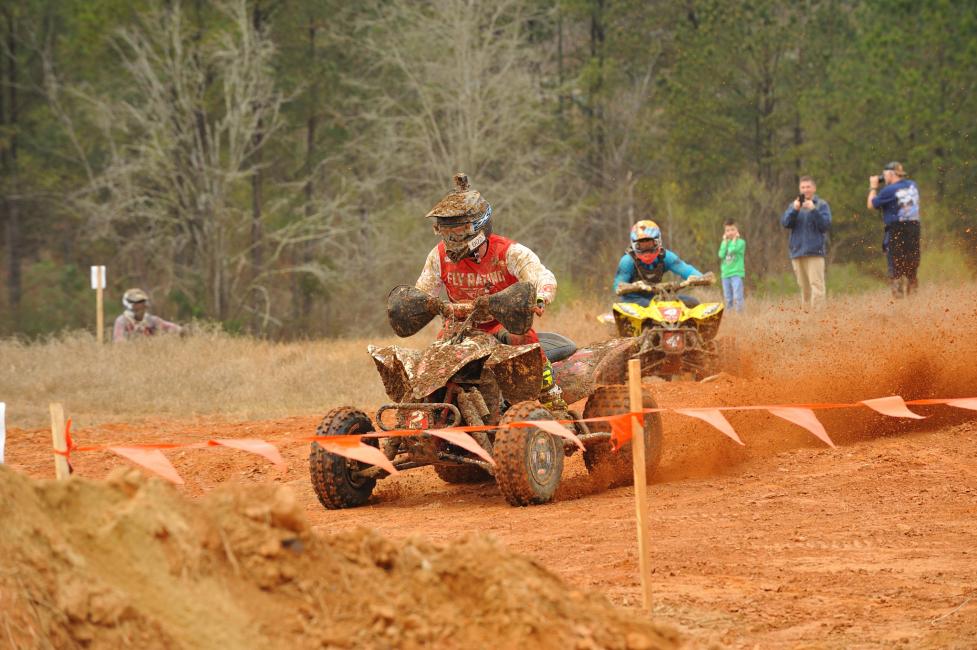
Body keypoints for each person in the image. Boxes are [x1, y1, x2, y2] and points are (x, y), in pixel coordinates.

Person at [415, 172, 566, 413]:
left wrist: (540, 296)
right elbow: (423, 290)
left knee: (523, 338)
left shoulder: (509, 252)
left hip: (502, 323)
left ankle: (550, 395)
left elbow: (542, 275)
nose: (453, 238)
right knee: (431, 363)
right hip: (459, 326)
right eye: (446, 232)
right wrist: (418, 304)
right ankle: (426, 410)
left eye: (460, 231)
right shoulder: (438, 256)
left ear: (479, 226)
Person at [613, 219, 705, 307]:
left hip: (657, 297)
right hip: (632, 300)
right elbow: (618, 285)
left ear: (658, 242)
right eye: (641, 245)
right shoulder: (627, 261)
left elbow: (685, 269)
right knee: (648, 306)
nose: (646, 250)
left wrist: (701, 278)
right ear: (634, 245)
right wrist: (628, 287)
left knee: (692, 302)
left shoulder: (666, 257)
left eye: (649, 244)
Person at [867, 161, 920, 298]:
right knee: (911, 263)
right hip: (914, 228)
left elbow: (871, 204)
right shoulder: (912, 185)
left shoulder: (889, 190)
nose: (884, 178)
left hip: (897, 230)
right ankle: (913, 295)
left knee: (895, 266)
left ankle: (898, 298)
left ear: (891, 174)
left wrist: (873, 187)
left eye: (885, 175)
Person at [781, 175, 831, 310]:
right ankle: (807, 317)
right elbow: (786, 223)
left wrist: (814, 210)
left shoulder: (821, 205)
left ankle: (819, 318)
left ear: (814, 188)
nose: (805, 190)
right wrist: (794, 210)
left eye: (808, 187)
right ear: (799, 189)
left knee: (817, 286)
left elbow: (825, 226)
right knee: (804, 288)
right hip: (797, 252)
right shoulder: (793, 205)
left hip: (815, 252)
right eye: (803, 187)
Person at [112, 288, 182, 342]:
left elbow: (171, 327)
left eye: (142, 302)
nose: (141, 305)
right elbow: (119, 341)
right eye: (137, 303)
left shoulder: (150, 320)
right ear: (129, 304)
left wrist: (183, 331)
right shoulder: (122, 321)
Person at [718, 218, 746, 312]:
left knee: (738, 296)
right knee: (728, 298)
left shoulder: (741, 242)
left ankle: (740, 316)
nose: (730, 232)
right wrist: (725, 242)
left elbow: (732, 250)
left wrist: (734, 240)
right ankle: (730, 315)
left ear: (737, 230)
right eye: (727, 230)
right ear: (725, 232)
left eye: (732, 230)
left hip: (736, 273)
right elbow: (721, 255)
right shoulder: (724, 243)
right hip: (725, 274)